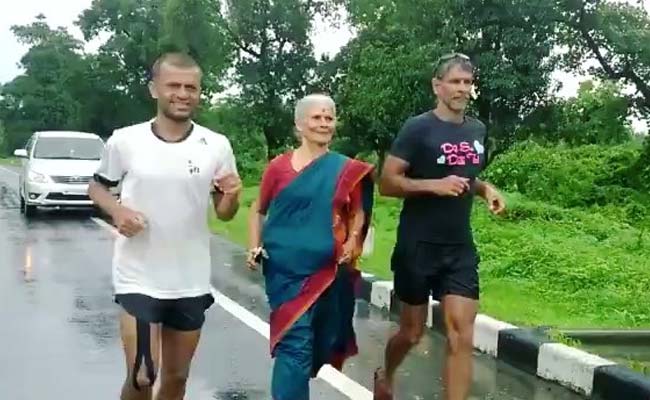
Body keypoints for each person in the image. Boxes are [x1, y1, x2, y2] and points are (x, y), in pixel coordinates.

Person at [88, 52, 242, 400]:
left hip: (190, 278)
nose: (183, 94)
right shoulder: (125, 141)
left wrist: (233, 195)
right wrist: (117, 210)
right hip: (139, 276)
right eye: (173, 85)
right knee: (143, 375)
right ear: (154, 89)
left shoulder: (216, 145)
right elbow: (97, 186)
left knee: (176, 379)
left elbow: (225, 212)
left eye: (191, 87)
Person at [373, 53, 506, 400]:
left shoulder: (477, 129)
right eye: (455, 82)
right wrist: (433, 185)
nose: (462, 88)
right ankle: (385, 373)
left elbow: (467, 178)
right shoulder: (418, 128)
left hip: (459, 247)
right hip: (417, 247)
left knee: (462, 334)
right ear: (438, 85)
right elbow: (387, 183)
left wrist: (485, 189)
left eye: (467, 82)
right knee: (412, 333)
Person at [247, 94, 375, 400]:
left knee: (319, 341)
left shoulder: (346, 169)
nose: (324, 124)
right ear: (299, 125)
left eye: (329, 118)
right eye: (317, 118)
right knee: (294, 342)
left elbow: (359, 212)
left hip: (328, 273)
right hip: (284, 271)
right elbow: (258, 209)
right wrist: (253, 245)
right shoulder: (278, 168)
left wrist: (353, 239)